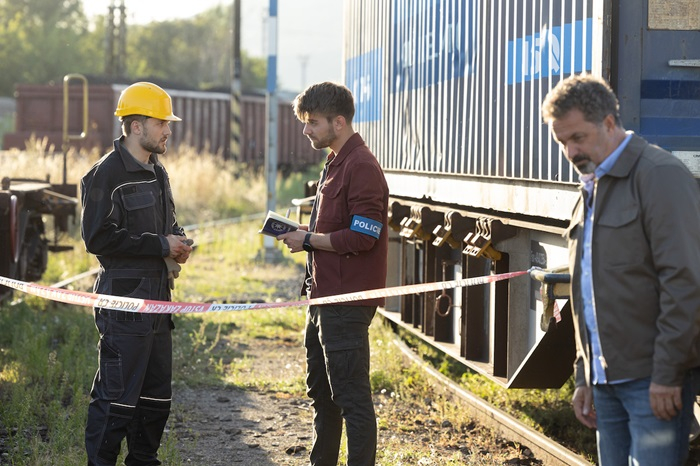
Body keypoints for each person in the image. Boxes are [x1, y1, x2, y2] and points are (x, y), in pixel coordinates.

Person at [541, 74, 700, 465]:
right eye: (562, 142)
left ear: (609, 122)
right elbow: (586, 290)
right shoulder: (591, 187)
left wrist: (667, 374)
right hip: (605, 381)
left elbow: (684, 283)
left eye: (578, 137)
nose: (570, 151)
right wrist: (584, 375)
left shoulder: (659, 175)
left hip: (652, 381)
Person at [81, 81, 193, 466]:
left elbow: (168, 224)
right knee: (116, 401)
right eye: (161, 122)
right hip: (124, 305)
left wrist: (177, 242)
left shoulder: (157, 171)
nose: (168, 130)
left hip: (159, 303)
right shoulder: (106, 174)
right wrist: (160, 245)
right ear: (135, 126)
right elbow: (97, 238)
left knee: (155, 401)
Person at [278, 82, 389, 466]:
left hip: (345, 301)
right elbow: (338, 229)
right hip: (323, 297)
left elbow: (363, 237)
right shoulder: (336, 162)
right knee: (323, 396)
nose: (305, 130)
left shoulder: (361, 167)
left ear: (338, 122)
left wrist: (308, 239)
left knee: (351, 398)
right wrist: (303, 235)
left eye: (313, 123)